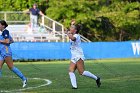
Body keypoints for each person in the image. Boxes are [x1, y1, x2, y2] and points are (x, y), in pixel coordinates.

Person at [67, 25, 101, 89]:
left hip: (79, 55)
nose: (70, 28)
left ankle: (97, 78)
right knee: (70, 71)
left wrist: (68, 34)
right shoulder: (72, 35)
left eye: (72, 27)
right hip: (74, 56)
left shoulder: (76, 36)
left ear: (75, 30)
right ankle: (74, 86)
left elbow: (73, 38)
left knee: (81, 72)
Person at [0, 20, 27, 88]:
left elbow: (7, 41)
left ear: (3, 25)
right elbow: (11, 41)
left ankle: (24, 78)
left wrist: (2, 41)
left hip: (6, 52)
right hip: (2, 53)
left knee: (11, 67)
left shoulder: (5, 31)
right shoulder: (3, 33)